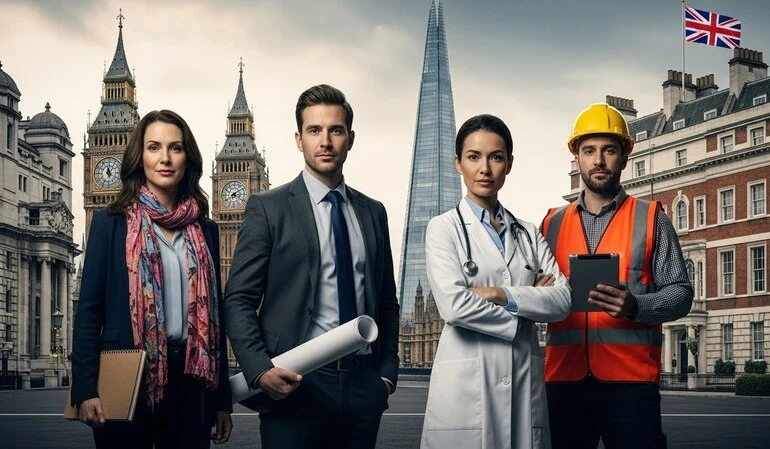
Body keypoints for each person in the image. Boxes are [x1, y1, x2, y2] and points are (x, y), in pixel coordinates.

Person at [223, 84, 400, 449]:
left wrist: (385, 376)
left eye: (336, 130)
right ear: (298, 139)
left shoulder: (373, 212)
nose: (325, 141)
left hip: (362, 386)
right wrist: (260, 369)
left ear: (350, 139)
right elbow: (238, 299)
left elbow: (387, 301)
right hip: (294, 384)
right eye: (314, 130)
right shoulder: (268, 208)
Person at [71, 110, 233, 449]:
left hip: (192, 380)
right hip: (128, 373)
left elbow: (216, 321)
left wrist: (222, 402)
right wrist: (84, 389)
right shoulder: (110, 223)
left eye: (175, 148)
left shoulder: (206, 229)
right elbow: (89, 312)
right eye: (154, 147)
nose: (165, 158)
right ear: (139, 157)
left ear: (188, 159)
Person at [541, 103, 694, 449]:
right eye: (589, 151)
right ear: (577, 158)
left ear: (624, 157)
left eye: (609, 150)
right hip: (564, 382)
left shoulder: (652, 218)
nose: (598, 160)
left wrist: (636, 306)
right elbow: (532, 296)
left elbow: (681, 293)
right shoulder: (550, 224)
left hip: (631, 384)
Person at [420, 114, 572, 449]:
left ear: (509, 164)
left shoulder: (529, 233)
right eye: (474, 157)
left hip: (522, 381)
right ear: (458, 163)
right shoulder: (443, 229)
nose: (485, 169)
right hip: (465, 391)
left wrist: (498, 294)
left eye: (496, 157)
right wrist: (528, 304)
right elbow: (454, 306)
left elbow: (562, 301)